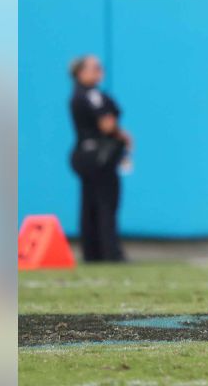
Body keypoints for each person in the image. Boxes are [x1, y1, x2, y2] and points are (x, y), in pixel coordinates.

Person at [68, 55, 130, 263]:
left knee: (89, 203)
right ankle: (110, 252)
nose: (99, 72)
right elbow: (107, 124)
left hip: (82, 153)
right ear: (81, 73)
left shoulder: (77, 94)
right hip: (99, 156)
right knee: (106, 202)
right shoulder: (92, 95)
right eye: (94, 68)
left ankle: (91, 252)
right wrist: (122, 135)